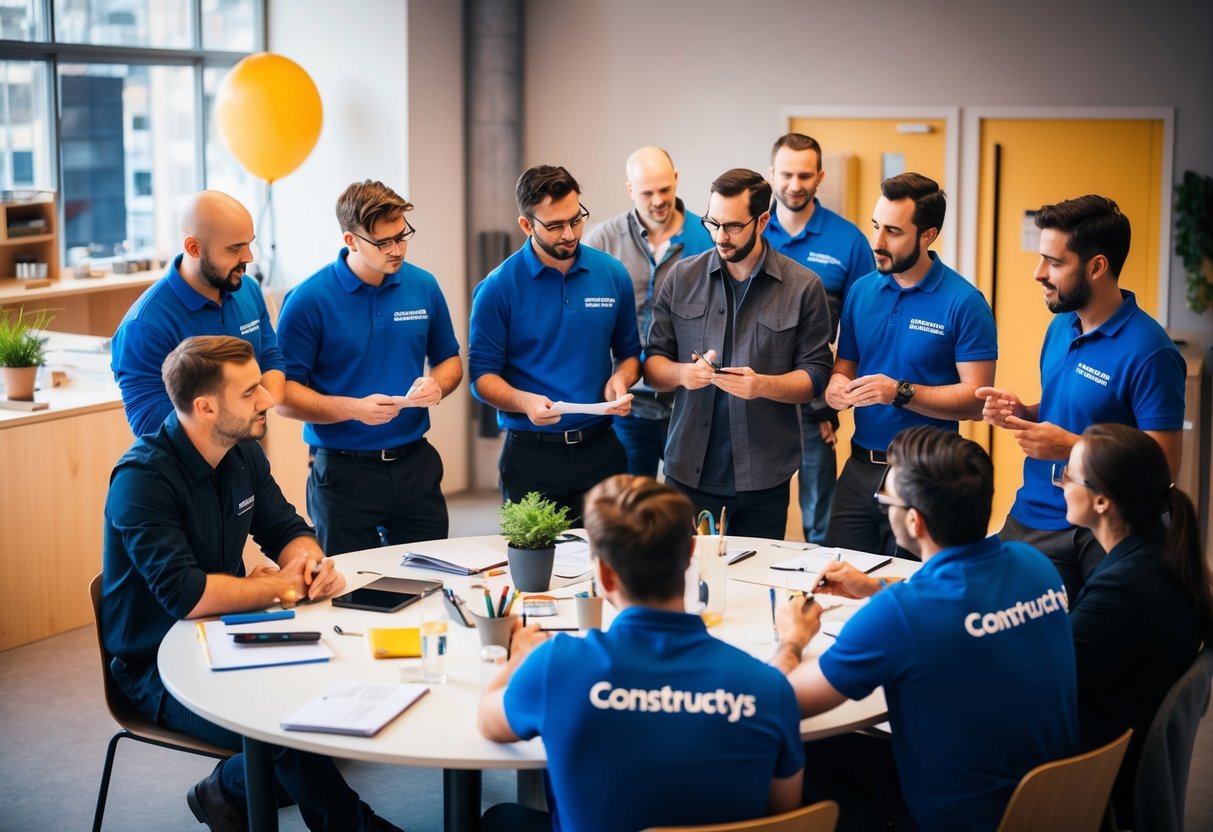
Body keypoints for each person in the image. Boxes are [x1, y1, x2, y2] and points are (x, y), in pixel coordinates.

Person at [100, 335, 400, 832]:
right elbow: (187, 595)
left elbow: (285, 528)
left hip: (227, 633)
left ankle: (225, 789)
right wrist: (281, 588)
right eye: (249, 392)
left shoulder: (242, 452)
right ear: (205, 407)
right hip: (157, 665)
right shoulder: (142, 480)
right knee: (286, 726)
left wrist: (309, 566)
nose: (267, 398)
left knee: (333, 690)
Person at [774, 426, 1078, 832]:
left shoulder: (900, 615)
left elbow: (777, 701)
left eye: (885, 500)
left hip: (962, 819)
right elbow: (960, 599)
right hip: (1054, 802)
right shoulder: (1034, 565)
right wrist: (875, 587)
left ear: (914, 521)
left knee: (798, 751)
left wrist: (793, 638)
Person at [477, 474, 805, 832]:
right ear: (690, 556)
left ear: (605, 575)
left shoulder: (555, 665)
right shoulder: (768, 687)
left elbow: (488, 722)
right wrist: (791, 646)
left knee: (501, 819)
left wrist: (520, 657)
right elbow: (785, 813)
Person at [978, 195, 1186, 597]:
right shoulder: (1061, 326)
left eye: (1054, 263)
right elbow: (1073, 409)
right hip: (1029, 511)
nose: (1038, 273)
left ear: (1096, 267)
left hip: (1090, 530)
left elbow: (1163, 465)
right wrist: (1025, 411)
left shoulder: (1151, 352)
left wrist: (1071, 447)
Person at [645, 168, 833, 539]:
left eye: (732, 226)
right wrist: (683, 375)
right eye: (712, 223)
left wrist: (762, 385)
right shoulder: (681, 278)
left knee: (757, 571)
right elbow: (652, 365)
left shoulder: (803, 286)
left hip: (764, 473)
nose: (720, 236)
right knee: (683, 571)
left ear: (762, 221)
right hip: (688, 468)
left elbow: (815, 377)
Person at [276, 180, 462, 555]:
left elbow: (450, 361)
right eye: (383, 242)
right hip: (343, 473)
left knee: (429, 574)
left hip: (415, 463)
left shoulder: (423, 285)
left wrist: (437, 385)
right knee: (351, 582)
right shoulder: (308, 300)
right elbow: (283, 397)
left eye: (402, 236)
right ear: (351, 240)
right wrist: (355, 409)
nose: (397, 249)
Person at [824, 173, 996, 556]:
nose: (877, 242)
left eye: (893, 231)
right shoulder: (861, 291)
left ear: (927, 235)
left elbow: (977, 400)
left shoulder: (965, 303)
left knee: (911, 586)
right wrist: (836, 387)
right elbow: (846, 364)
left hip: (926, 478)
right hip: (859, 468)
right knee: (840, 577)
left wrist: (898, 392)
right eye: (875, 226)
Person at [468, 164, 641, 523]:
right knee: (536, 558)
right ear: (526, 225)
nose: (570, 233)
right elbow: (482, 377)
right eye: (555, 225)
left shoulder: (612, 274)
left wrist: (621, 379)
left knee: (612, 553)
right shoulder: (498, 288)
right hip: (531, 454)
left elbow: (629, 353)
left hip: (601, 449)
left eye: (576, 219)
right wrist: (523, 401)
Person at [1057, 423, 1212, 821]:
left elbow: (1051, 682)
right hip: (1120, 739)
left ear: (1102, 501)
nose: (1061, 484)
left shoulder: (1124, 588)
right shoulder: (1158, 554)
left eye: (1068, 474)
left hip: (1090, 772)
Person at [763, 133, 874, 544]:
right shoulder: (753, 231)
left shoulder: (849, 241)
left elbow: (862, 326)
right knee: (754, 507)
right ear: (771, 174)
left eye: (805, 175)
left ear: (820, 177)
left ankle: (819, 581)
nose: (795, 184)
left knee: (820, 518)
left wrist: (832, 404)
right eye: (786, 174)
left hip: (815, 405)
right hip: (754, 396)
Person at [583, 146, 713, 478]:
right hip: (627, 403)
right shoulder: (603, 241)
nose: (658, 201)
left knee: (686, 500)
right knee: (631, 501)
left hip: (691, 400)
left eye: (665, 189)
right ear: (630, 190)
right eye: (647, 193)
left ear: (676, 178)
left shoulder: (709, 237)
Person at [111, 190, 285, 437]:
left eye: (249, 243)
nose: (248, 257)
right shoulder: (144, 325)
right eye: (235, 248)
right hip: (189, 461)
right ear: (193, 248)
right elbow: (149, 422)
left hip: (248, 452)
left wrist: (254, 411)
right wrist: (241, 422)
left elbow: (269, 358)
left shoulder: (249, 289)